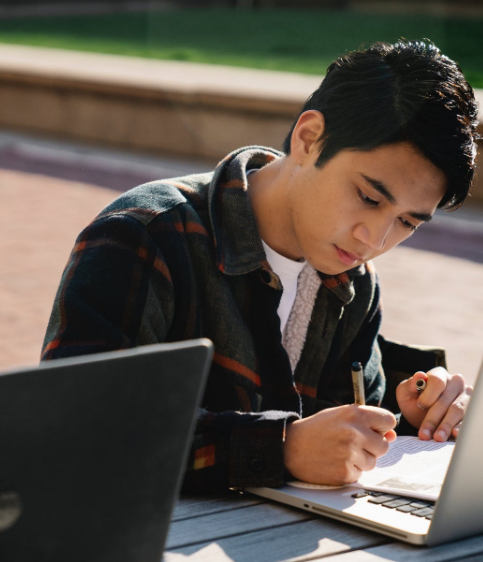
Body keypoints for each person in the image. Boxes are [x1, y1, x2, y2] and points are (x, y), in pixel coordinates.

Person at [42, 40, 477, 491]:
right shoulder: (144, 234)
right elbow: (79, 429)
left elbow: (341, 440)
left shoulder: (355, 283)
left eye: (407, 221)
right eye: (368, 197)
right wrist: (280, 448)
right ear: (309, 138)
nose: (375, 240)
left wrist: (412, 418)